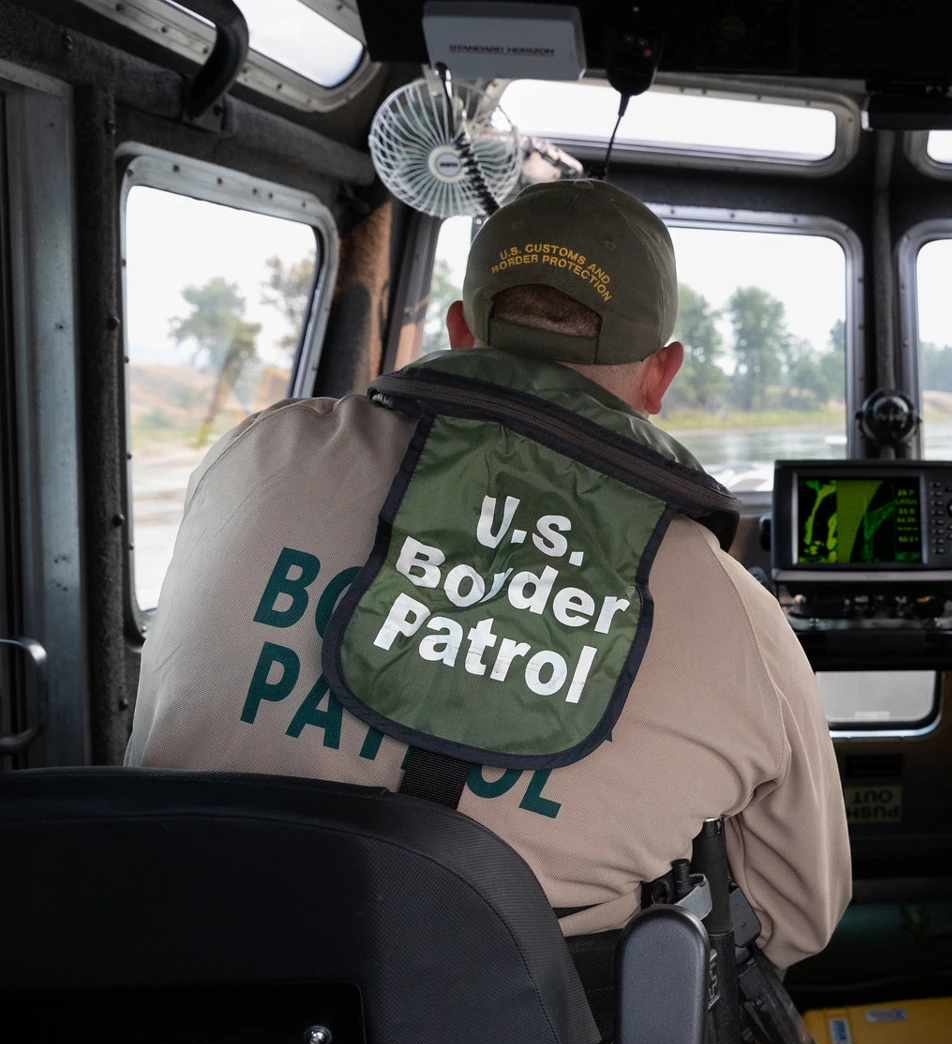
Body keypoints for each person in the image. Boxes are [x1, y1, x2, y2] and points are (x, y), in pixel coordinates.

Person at [127, 180, 852, 1001]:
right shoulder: (735, 616)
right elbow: (796, 914)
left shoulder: (257, 458)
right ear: (661, 376)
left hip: (182, 997)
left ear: (463, 331)